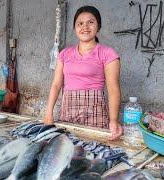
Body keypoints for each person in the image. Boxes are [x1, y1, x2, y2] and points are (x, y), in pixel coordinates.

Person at [43, 6, 123, 140]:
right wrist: (48, 113)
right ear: (74, 28)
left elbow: (113, 89)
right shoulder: (64, 54)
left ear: (98, 26)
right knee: (67, 149)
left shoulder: (108, 53)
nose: (85, 26)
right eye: (80, 23)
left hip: (95, 113)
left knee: (93, 152)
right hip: (68, 112)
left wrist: (114, 120)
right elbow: (56, 85)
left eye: (90, 22)